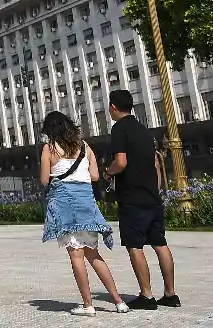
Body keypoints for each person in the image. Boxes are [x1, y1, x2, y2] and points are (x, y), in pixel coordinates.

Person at [40, 110, 129, 316]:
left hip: (64, 205)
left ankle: (88, 305)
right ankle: (118, 301)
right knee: (93, 254)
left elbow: (45, 180)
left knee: (76, 256)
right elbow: (95, 176)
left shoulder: (49, 149)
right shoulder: (85, 146)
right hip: (86, 204)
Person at [107, 89, 179, 310]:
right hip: (152, 197)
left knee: (135, 245)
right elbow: (156, 165)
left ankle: (146, 296)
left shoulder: (119, 129)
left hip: (132, 198)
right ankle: (170, 293)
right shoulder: (144, 130)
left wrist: (109, 172)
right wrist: (154, 190)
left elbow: (121, 161)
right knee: (160, 243)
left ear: (113, 108)